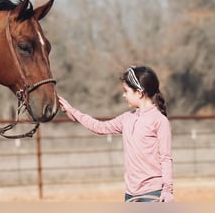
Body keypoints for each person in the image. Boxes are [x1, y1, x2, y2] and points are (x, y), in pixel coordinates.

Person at [59, 66, 173, 202]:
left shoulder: (159, 121)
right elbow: (99, 127)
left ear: (139, 93)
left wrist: (167, 190)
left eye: (126, 91)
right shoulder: (126, 118)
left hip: (153, 193)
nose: (124, 95)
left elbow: (165, 158)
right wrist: (71, 111)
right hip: (130, 193)